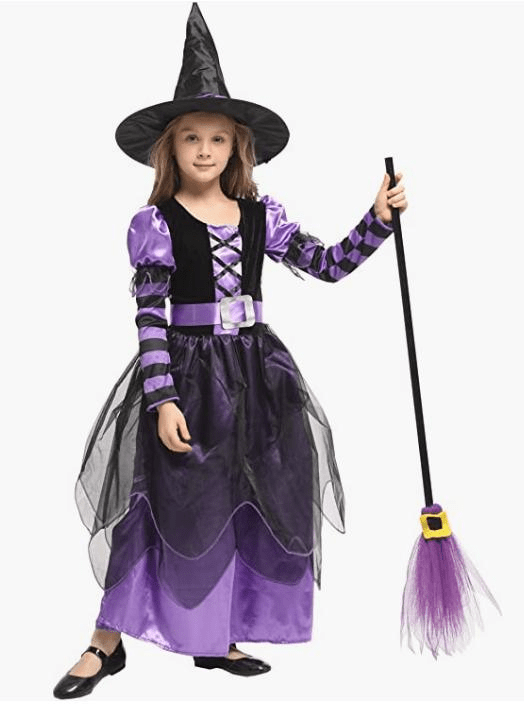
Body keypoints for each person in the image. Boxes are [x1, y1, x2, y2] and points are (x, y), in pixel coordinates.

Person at [53, 3, 407, 699]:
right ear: (171, 149)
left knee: (248, 498)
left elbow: (328, 264)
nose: (205, 150)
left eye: (218, 138)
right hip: (186, 377)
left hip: (256, 375)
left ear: (238, 147)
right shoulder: (156, 222)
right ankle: (105, 642)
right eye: (191, 138)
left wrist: (377, 221)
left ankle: (215, 636)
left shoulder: (259, 215)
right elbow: (149, 318)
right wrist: (161, 398)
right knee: (159, 504)